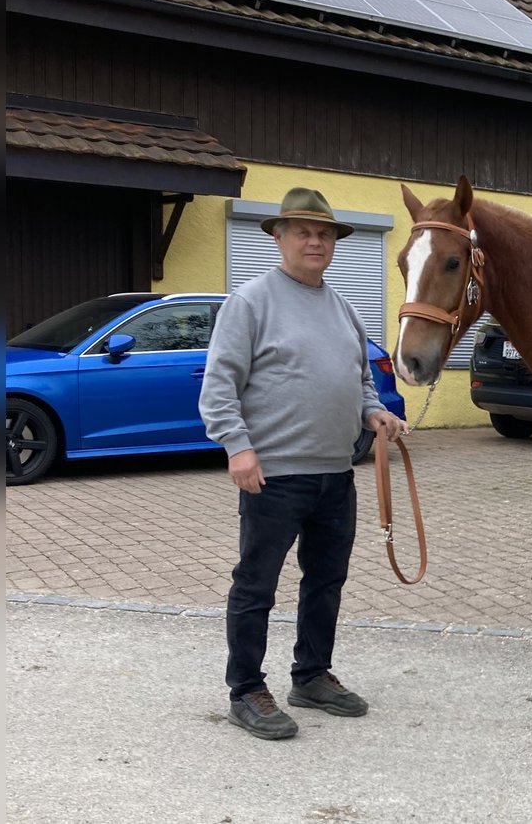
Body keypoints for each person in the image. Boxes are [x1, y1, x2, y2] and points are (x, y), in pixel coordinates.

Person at [199, 186, 408, 740]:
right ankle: (245, 689)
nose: (315, 241)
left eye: (324, 233)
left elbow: (362, 380)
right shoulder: (250, 302)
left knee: (326, 580)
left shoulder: (342, 307)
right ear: (278, 237)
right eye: (303, 232)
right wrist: (237, 447)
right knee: (256, 584)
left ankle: (311, 675)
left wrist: (374, 414)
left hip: (337, 475)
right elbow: (220, 384)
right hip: (274, 475)